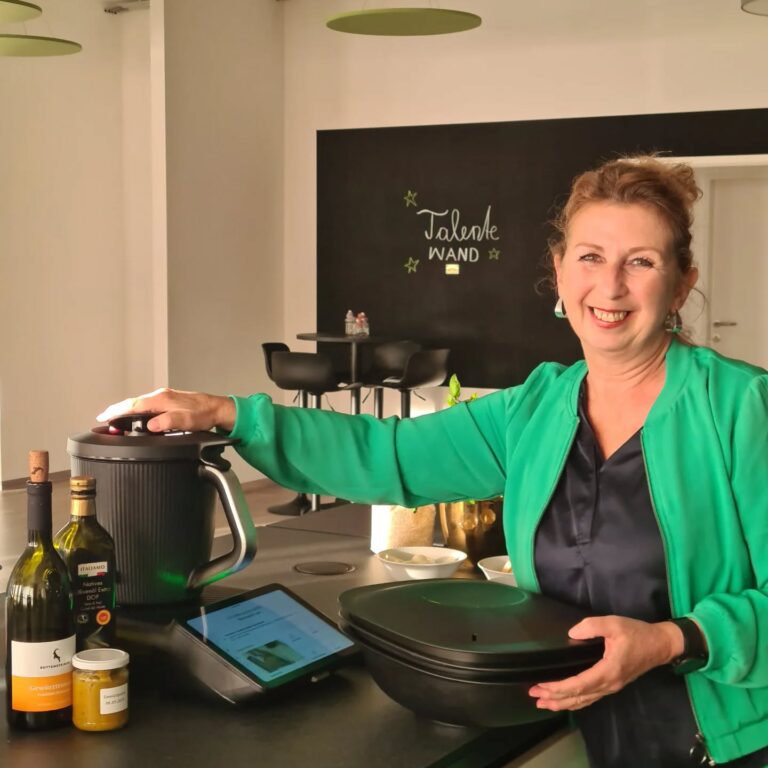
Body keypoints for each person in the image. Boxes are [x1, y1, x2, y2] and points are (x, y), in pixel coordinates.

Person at [98, 156, 768, 768]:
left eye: (641, 261)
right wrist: (231, 415)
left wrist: (675, 640)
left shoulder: (742, 408)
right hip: (575, 733)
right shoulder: (536, 408)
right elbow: (386, 455)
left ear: (682, 284)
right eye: (591, 256)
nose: (611, 285)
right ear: (561, 271)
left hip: (719, 742)